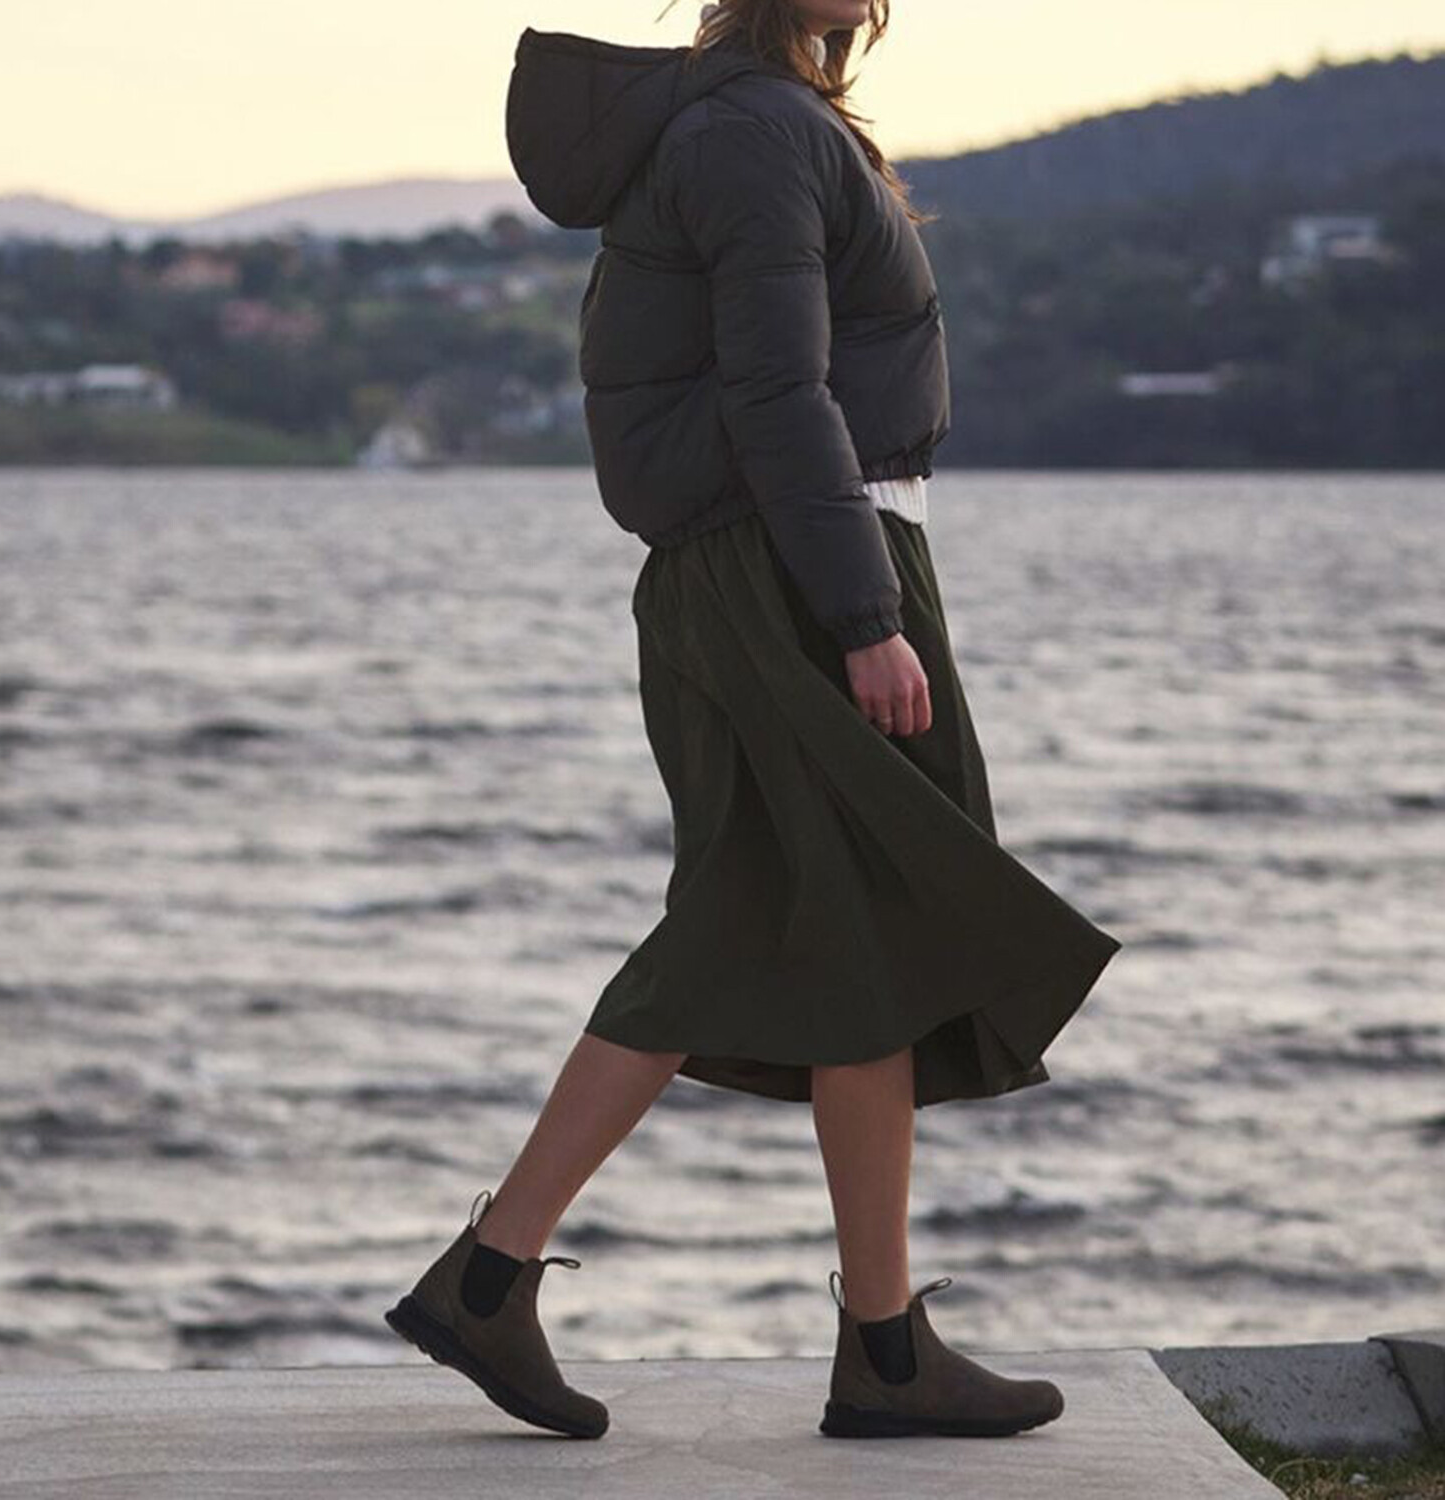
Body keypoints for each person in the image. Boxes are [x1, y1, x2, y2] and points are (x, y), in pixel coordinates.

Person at [384, 0, 1122, 1441]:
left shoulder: (754, 121)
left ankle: (861, 1344)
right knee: (815, 919)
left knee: (848, 935)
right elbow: (779, 391)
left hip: (782, 554)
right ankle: (517, 1279)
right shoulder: (752, 131)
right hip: (793, 566)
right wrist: (862, 614)